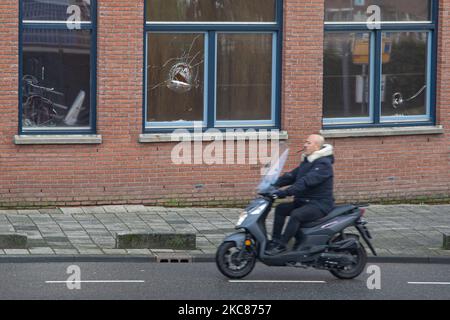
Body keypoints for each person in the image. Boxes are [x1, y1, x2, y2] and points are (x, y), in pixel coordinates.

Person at [266, 134, 335, 255]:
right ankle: (275, 241)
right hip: (304, 201)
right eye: (305, 142)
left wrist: (284, 193)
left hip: (319, 204)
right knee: (280, 208)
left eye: (308, 143)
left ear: (317, 146)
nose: (305, 145)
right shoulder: (308, 161)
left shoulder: (323, 164)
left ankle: (282, 245)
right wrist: (272, 185)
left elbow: (305, 182)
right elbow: (292, 176)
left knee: (296, 215)